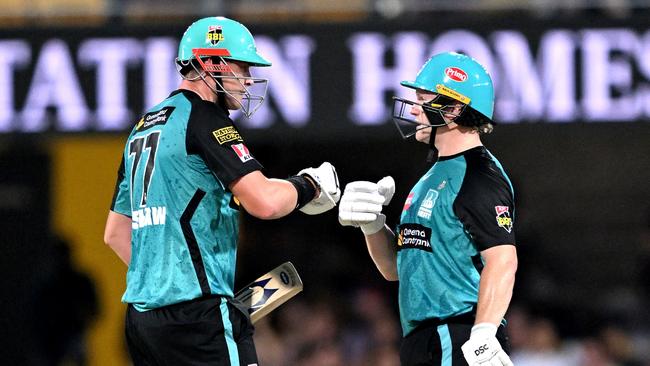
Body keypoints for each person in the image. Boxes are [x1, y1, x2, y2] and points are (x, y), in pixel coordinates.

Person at [103, 16, 340, 366]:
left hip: (143, 322)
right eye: (242, 68)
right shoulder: (204, 119)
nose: (246, 81)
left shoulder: (141, 127)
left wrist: (169, 285)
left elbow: (115, 233)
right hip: (198, 320)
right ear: (210, 62)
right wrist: (310, 185)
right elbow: (265, 202)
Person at [339, 52, 518, 366]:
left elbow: (503, 260)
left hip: (458, 334)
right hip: (426, 339)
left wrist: (484, 333)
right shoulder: (432, 176)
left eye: (423, 100)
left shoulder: (477, 176)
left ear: (453, 108)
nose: (414, 110)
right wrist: (371, 225)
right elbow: (396, 269)